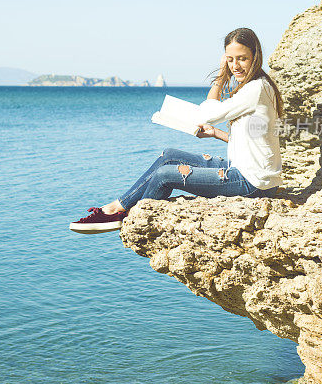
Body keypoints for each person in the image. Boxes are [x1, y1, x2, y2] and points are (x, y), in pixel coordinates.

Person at [69, 27, 284, 234]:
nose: (235, 65)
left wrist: (221, 76)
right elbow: (255, 139)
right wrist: (215, 133)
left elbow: (206, 112)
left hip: (253, 183)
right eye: (230, 60)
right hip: (245, 169)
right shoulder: (258, 86)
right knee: (169, 155)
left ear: (255, 56)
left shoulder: (255, 89)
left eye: (242, 58)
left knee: (164, 175)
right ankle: (117, 207)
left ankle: (136, 219)